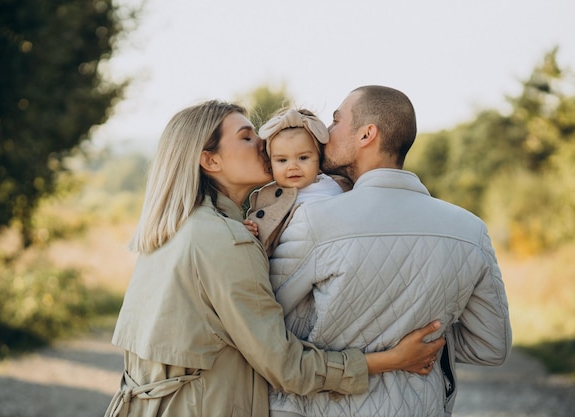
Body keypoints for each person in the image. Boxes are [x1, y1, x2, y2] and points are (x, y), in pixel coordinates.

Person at [103, 100, 446, 417]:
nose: (264, 142)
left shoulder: (177, 228)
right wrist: (391, 360)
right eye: (247, 136)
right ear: (211, 160)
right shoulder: (224, 240)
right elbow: (285, 366)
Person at [268, 86, 512, 417]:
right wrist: (417, 346)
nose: (325, 134)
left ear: (367, 134)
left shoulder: (313, 221)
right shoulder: (470, 231)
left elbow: (269, 325)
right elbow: (490, 347)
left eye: (337, 121)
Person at [244, 108, 351, 256]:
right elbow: (258, 237)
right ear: (271, 163)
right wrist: (249, 232)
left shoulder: (340, 185)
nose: (293, 167)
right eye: (282, 160)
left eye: (303, 158)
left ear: (318, 158)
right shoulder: (265, 197)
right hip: (289, 264)